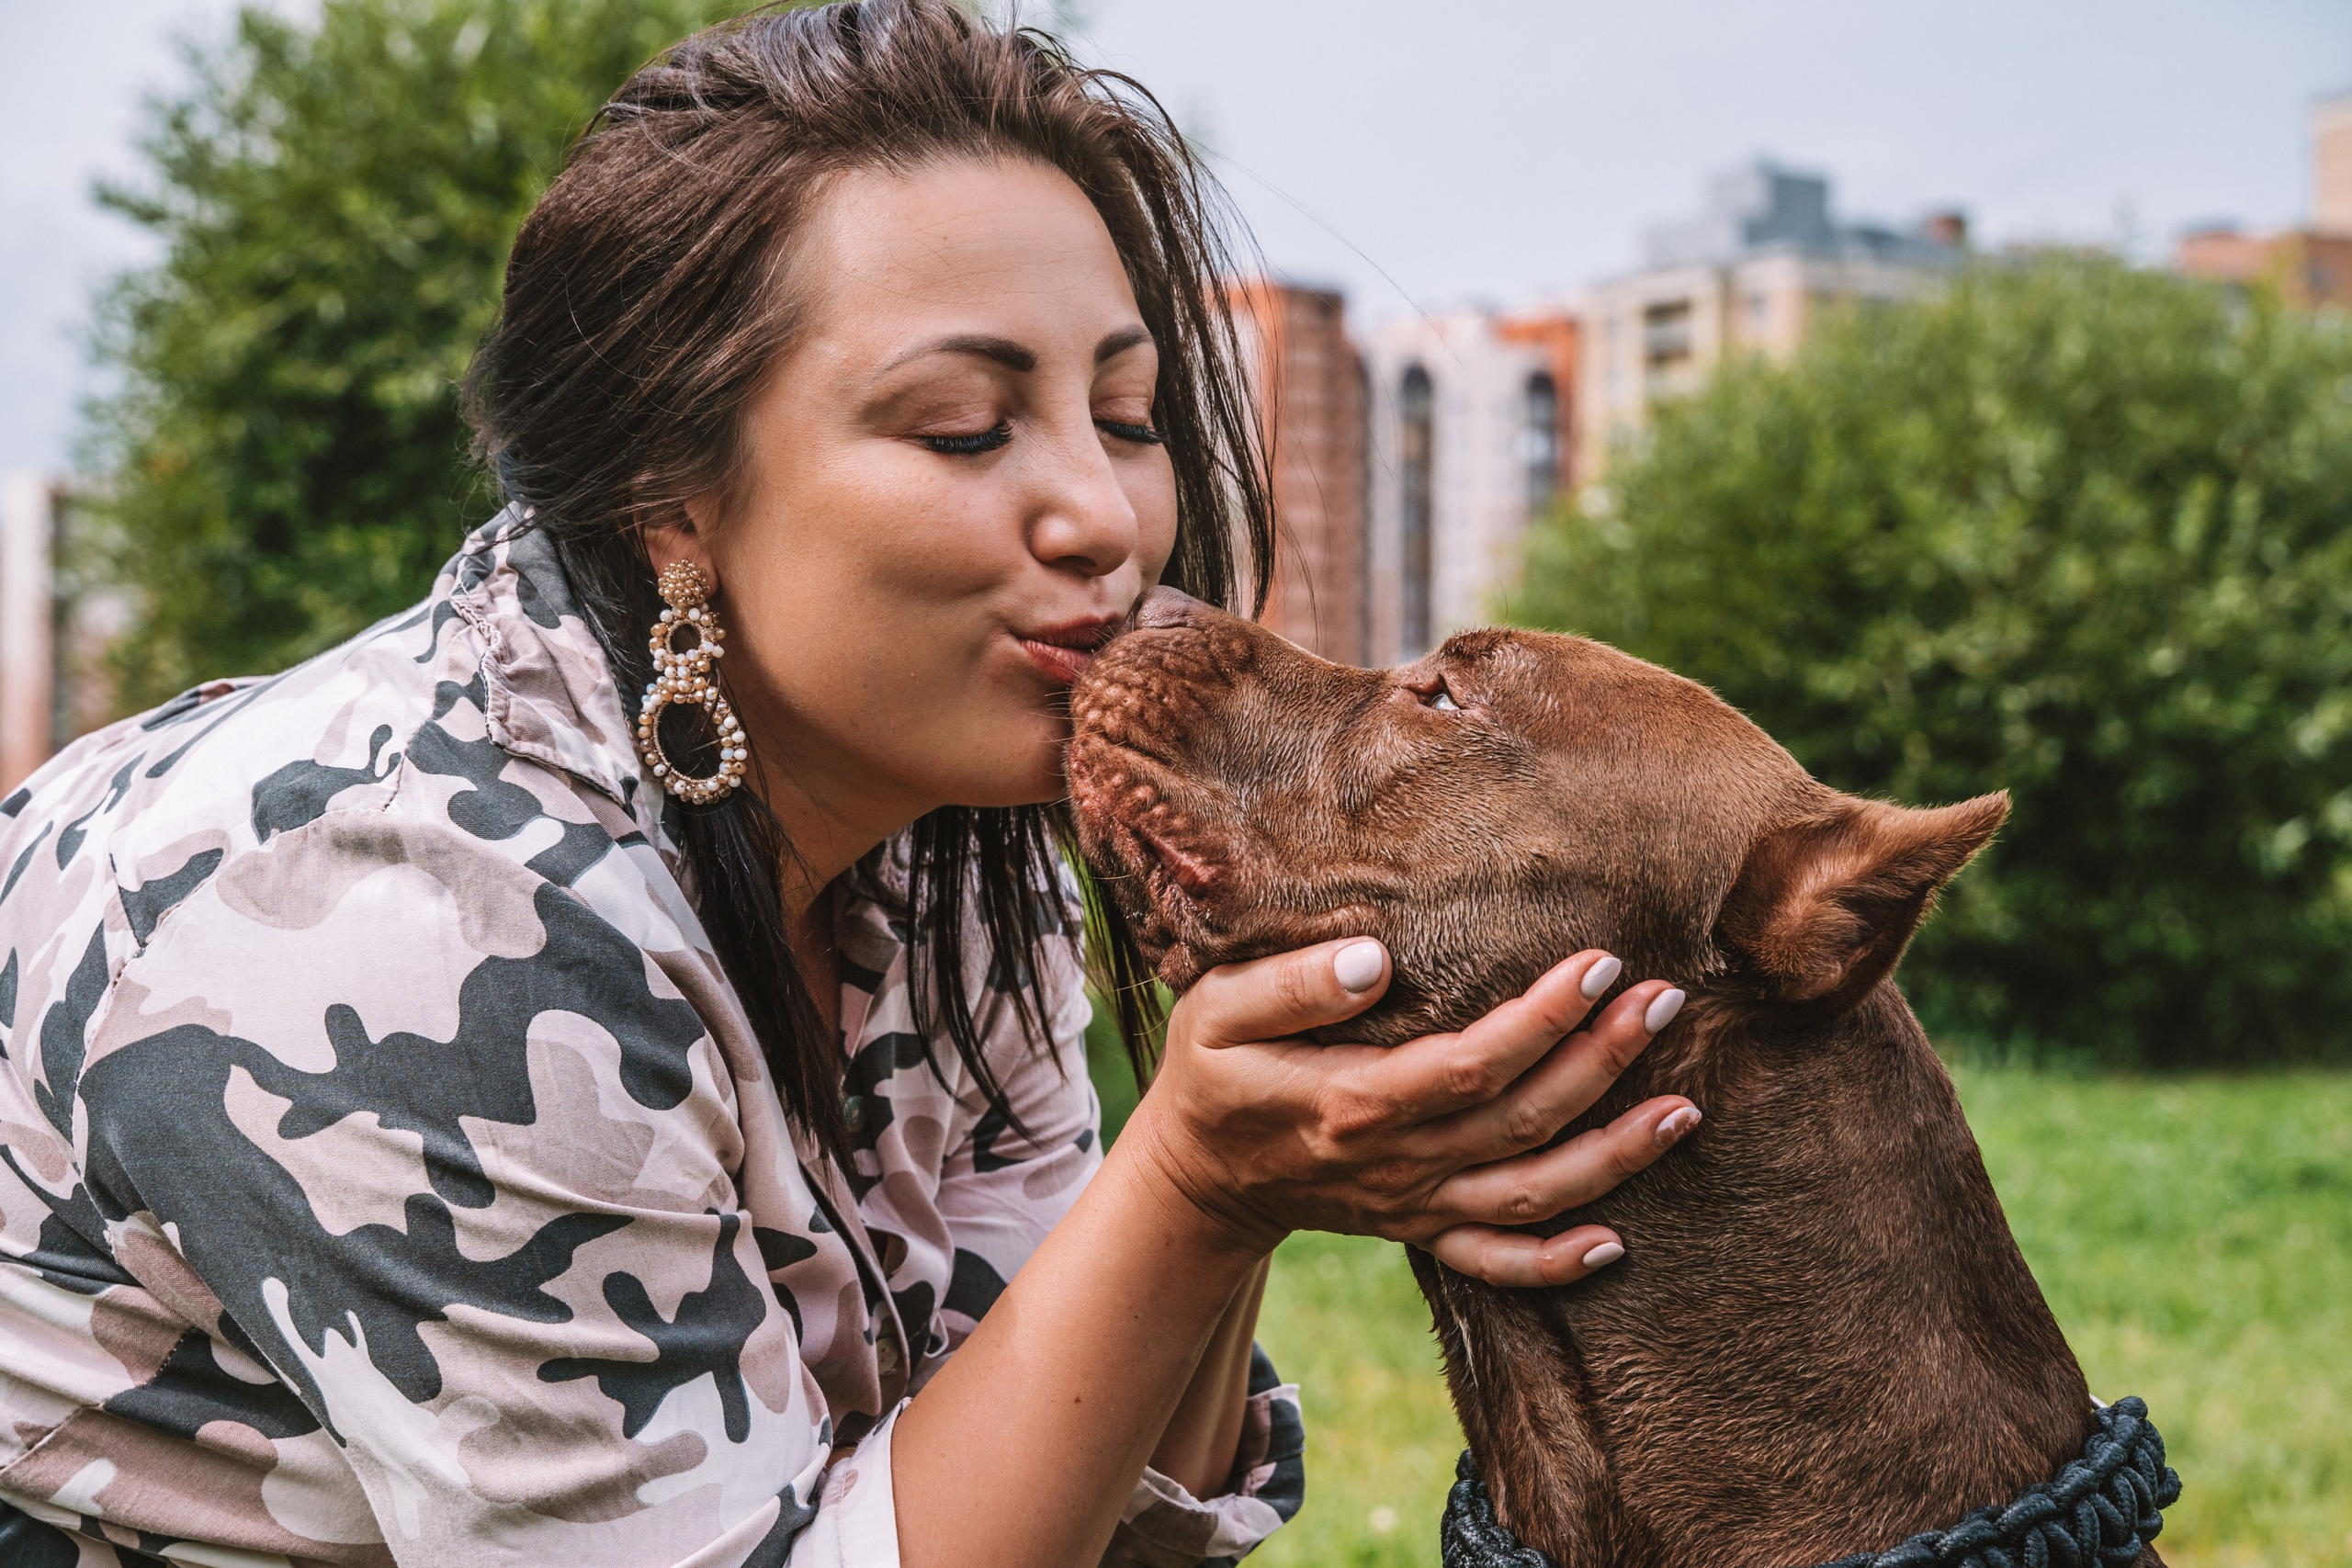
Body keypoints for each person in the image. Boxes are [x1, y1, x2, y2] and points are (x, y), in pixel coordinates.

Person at [0, 4, 1701, 1564]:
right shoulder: (405, 932)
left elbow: (1046, 1505)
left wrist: (1224, 1192)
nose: (1103, 518)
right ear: (671, 501)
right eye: (965, 427)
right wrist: (1194, 1184)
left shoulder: (952, 835)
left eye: (1125, 413)